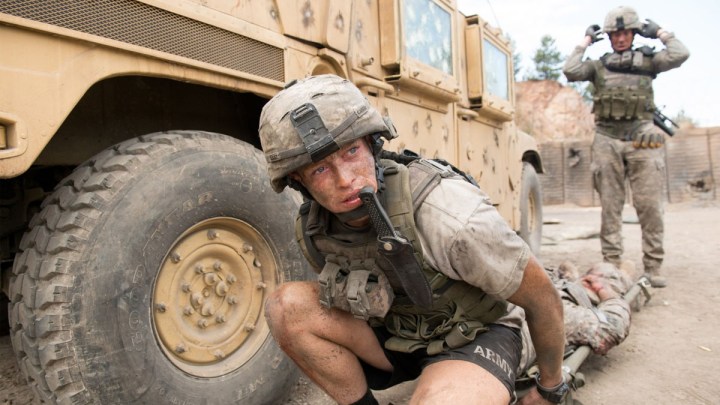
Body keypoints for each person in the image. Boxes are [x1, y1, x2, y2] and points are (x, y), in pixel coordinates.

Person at [257, 74, 567, 405]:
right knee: (286, 307)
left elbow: (542, 298)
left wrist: (550, 387)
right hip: (398, 336)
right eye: (319, 170)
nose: (345, 180)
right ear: (298, 180)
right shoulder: (314, 227)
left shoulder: (447, 214)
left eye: (350, 152)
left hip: (477, 335)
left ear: (373, 145)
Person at [562, 6, 690, 288]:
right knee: (610, 206)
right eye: (615, 33)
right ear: (608, 36)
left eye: (625, 32)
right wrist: (585, 41)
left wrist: (660, 33)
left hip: (642, 136)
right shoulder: (598, 66)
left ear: (633, 33)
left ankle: (653, 267)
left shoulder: (648, 61)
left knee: (649, 206)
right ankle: (611, 264)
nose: (620, 38)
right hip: (607, 138)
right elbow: (570, 70)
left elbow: (681, 53)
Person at [552, 260, 640, 355]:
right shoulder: (555, 312)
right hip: (561, 300)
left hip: (556, 289)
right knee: (605, 272)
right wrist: (610, 298)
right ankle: (623, 276)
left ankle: (622, 275)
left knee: (602, 270)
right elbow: (611, 327)